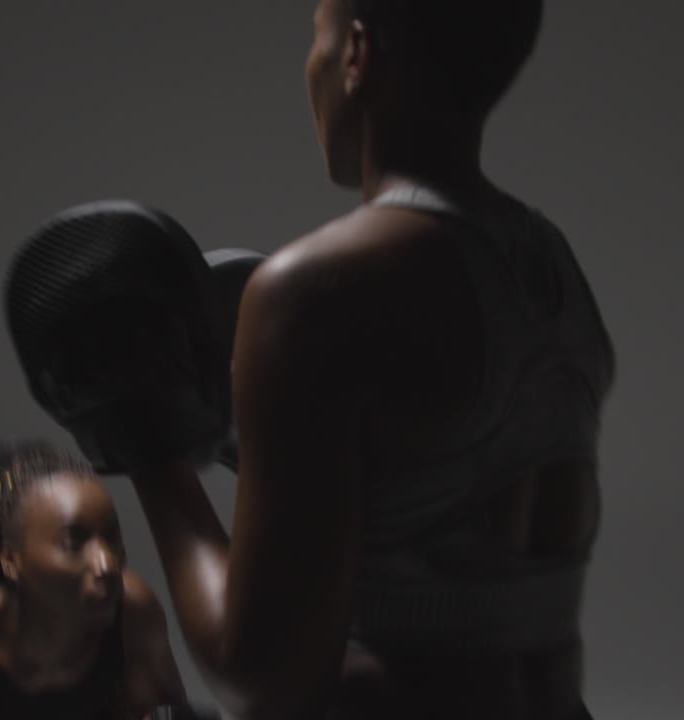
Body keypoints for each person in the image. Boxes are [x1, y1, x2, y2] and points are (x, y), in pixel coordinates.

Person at [122, 1, 615, 718]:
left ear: (356, 55)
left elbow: (259, 677)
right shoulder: (553, 268)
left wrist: (149, 438)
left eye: (314, 38)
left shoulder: (315, 293)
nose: (310, 68)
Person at [0, 439, 199, 720]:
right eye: (74, 542)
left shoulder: (133, 612)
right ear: (11, 560)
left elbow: (168, 711)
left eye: (111, 537)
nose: (107, 563)